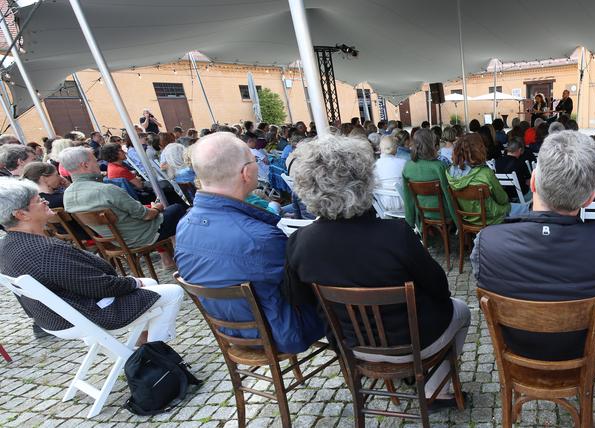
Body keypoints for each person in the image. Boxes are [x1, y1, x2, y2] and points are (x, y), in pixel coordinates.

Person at [282, 134, 468, 406]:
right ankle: (436, 391)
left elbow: (298, 300)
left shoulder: (299, 243)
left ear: (307, 186)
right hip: (412, 344)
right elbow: (441, 289)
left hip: (351, 347)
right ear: (365, 182)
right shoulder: (395, 235)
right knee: (461, 309)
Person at [472, 130, 595, 361]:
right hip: (576, 352)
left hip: (515, 351)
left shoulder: (487, 242)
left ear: (533, 181)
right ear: (590, 198)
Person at [174, 133, 326, 354]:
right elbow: (304, 285)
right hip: (277, 333)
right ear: (246, 173)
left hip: (231, 332)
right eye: (254, 161)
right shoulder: (258, 238)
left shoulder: (184, 225)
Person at [0, 177, 183, 343]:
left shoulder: (6, 246)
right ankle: (154, 351)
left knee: (149, 282)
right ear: (21, 214)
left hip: (51, 317)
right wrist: (133, 282)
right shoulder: (45, 250)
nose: (45, 201)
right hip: (79, 315)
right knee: (173, 292)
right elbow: (100, 286)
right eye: (38, 201)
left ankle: (142, 343)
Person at [61, 147, 186, 269]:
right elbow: (147, 215)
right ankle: (185, 256)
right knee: (177, 208)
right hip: (142, 236)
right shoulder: (106, 190)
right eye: (95, 161)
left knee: (170, 212)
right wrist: (157, 208)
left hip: (114, 241)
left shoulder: (67, 195)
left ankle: (169, 257)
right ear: (85, 165)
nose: (99, 164)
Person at [447, 134, 522, 225]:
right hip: (491, 218)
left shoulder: (449, 172)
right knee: (524, 209)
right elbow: (503, 199)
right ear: (479, 149)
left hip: (466, 218)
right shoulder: (485, 174)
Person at [402, 129, 459, 228]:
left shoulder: (407, 167)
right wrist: (458, 222)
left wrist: (410, 221)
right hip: (443, 212)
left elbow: (408, 197)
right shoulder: (439, 166)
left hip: (421, 212)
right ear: (432, 144)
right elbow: (449, 194)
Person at [494, 137, 532, 203]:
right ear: (519, 150)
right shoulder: (520, 163)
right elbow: (528, 181)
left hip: (506, 195)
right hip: (521, 195)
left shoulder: (497, 162)